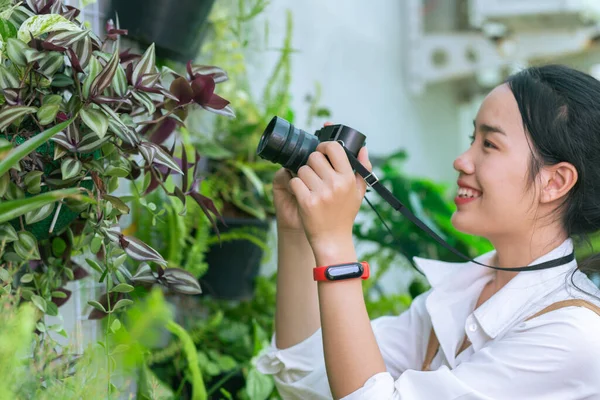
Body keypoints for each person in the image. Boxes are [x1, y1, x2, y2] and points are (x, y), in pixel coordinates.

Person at [255, 64, 600, 399]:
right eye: (471, 139)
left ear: (555, 182)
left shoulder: (573, 336)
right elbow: (308, 378)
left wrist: (334, 243)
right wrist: (296, 231)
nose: (461, 160)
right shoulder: (467, 291)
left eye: (489, 145)